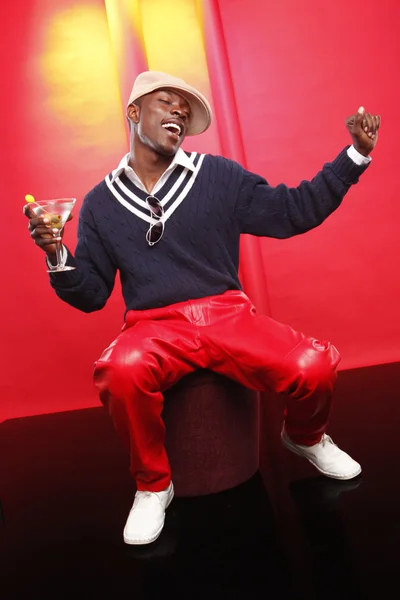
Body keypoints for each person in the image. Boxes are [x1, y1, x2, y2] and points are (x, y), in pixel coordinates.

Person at [24, 71, 380, 546]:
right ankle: (153, 485)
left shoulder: (219, 177)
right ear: (133, 113)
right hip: (153, 327)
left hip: (227, 315)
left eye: (184, 111)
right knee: (121, 366)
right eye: (166, 103)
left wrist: (355, 155)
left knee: (313, 364)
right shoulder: (101, 204)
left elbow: (295, 210)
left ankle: (306, 436)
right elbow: (90, 294)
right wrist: (56, 254)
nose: (178, 112)